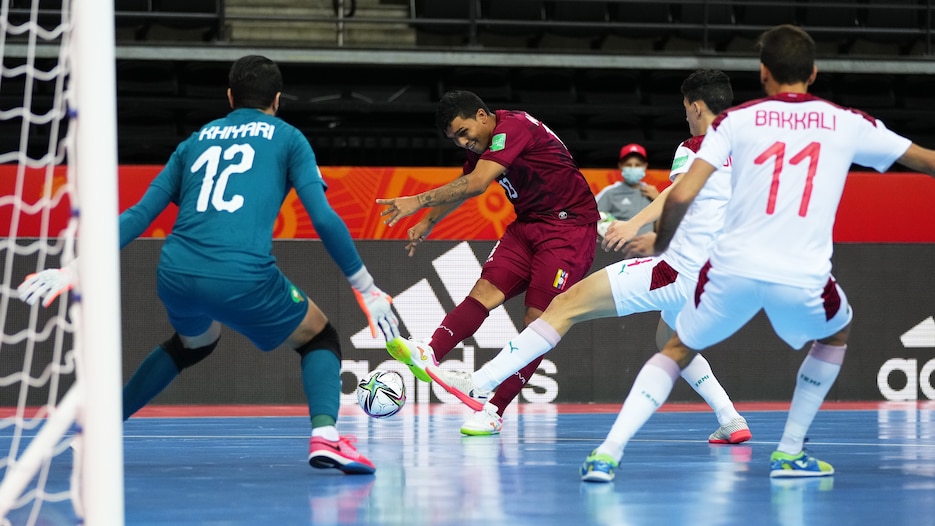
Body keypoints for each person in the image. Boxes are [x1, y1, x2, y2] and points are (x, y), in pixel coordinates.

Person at [438, 25, 935, 480]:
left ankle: (485, 387)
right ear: (815, 72)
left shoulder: (734, 126)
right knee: (690, 338)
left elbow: (679, 193)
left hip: (701, 270)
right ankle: (752, 430)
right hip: (792, 275)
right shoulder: (843, 121)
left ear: (763, 73)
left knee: (568, 308)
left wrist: (646, 232)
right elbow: (920, 158)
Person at [17, 55, 400, 475]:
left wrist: (74, 269)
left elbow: (139, 215)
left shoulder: (195, 141)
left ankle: (102, 427)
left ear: (230, 96)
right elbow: (323, 218)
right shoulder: (289, 138)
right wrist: (366, 288)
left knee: (193, 343)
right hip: (242, 276)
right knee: (319, 337)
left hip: (175, 273)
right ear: (277, 99)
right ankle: (326, 436)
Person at [423, 69, 751, 482]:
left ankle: (477, 383)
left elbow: (678, 192)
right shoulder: (748, 148)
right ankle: (730, 417)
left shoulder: (695, 146)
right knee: (668, 340)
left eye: (686, 109)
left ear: (697, 107)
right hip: (723, 278)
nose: (685, 116)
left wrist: (636, 225)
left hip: (680, 270)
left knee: (564, 306)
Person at [376, 90, 600, 436]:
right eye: (455, 139)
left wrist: (417, 201)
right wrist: (429, 221)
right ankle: (429, 353)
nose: (462, 142)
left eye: (464, 133)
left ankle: (494, 410)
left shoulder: (514, 127)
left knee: (538, 323)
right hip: (528, 225)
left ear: (482, 116)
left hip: (568, 230)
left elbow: (478, 183)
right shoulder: (482, 145)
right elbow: (463, 184)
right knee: (483, 291)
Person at [595, 143, 659, 239]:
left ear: (645, 166)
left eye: (638, 165)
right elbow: (592, 218)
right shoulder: (610, 193)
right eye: (628, 165)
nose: (633, 168)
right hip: (619, 247)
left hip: (648, 247)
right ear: (621, 166)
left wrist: (658, 199)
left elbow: (665, 226)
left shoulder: (653, 193)